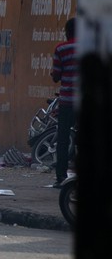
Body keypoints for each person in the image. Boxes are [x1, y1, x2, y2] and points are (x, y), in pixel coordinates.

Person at [50, 17, 78, 188]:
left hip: (67, 102)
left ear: (67, 32)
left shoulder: (61, 48)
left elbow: (56, 76)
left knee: (63, 139)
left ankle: (61, 177)